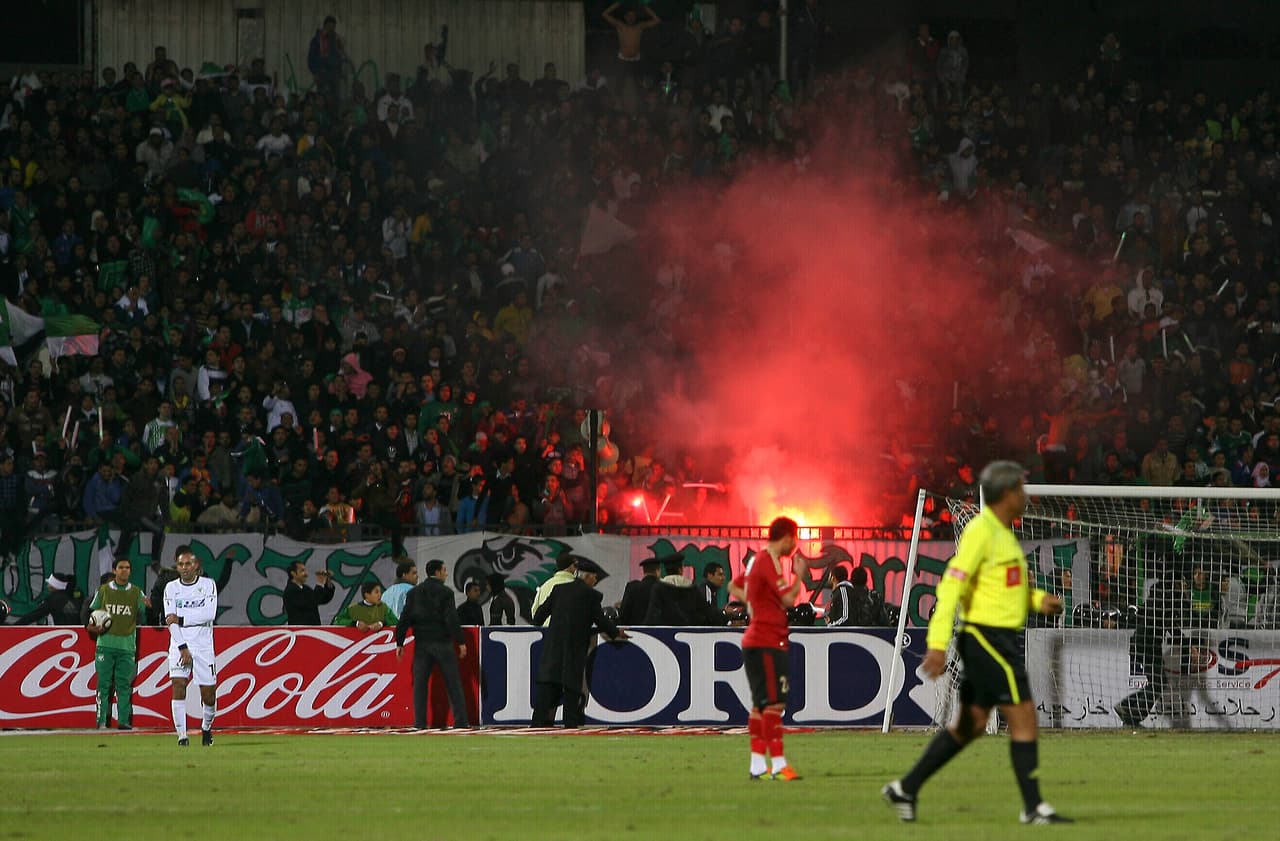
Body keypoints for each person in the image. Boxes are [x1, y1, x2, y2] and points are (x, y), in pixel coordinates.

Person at [882, 461, 1070, 824]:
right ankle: (1033, 807)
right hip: (988, 640)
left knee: (970, 725)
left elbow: (1006, 591)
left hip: (994, 639)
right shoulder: (981, 532)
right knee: (1024, 718)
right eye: (1020, 489)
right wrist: (938, 644)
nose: (1025, 495)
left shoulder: (1003, 535)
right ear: (1006, 494)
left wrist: (1037, 601)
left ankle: (906, 788)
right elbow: (950, 587)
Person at [727, 517, 805, 781]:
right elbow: (788, 599)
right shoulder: (768, 561)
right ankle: (779, 766)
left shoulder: (756, 560)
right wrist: (799, 576)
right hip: (766, 640)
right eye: (795, 539)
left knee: (761, 705)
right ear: (787, 537)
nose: (795, 545)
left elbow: (734, 585)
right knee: (774, 704)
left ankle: (758, 766)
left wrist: (756, 603)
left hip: (758, 639)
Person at [531, 557, 628, 727]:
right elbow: (600, 620)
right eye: (595, 577)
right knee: (572, 693)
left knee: (546, 691)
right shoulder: (592, 595)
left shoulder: (558, 590)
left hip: (553, 648)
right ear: (587, 576)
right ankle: (570, 727)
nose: (595, 581)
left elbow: (538, 618)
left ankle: (537, 726)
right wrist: (615, 632)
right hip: (575, 650)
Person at [395, 560, 470, 729]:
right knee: (453, 683)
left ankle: (420, 723)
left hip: (422, 644)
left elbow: (405, 618)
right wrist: (460, 641)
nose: (446, 573)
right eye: (444, 570)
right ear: (437, 572)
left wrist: (399, 642)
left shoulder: (414, 593)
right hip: (443, 643)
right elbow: (451, 618)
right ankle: (460, 722)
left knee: (420, 685)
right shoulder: (446, 593)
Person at [164, 545, 219, 747]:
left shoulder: (208, 585)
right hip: (179, 645)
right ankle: (182, 736)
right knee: (178, 686)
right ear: (177, 566)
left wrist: (182, 618)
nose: (185, 567)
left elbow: (209, 614)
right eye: (181, 564)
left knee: (209, 695)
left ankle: (206, 728)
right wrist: (182, 647)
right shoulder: (171, 588)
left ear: (196, 565)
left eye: (188, 563)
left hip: (203, 646)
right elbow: (170, 621)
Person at [88, 557, 148, 729]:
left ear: (130, 571)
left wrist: (150, 606)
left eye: (127, 567)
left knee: (124, 685)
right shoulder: (103, 590)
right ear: (114, 570)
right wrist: (92, 627)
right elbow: (91, 615)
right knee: (103, 685)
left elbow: (145, 615)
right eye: (121, 567)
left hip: (127, 647)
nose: (124, 570)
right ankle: (101, 721)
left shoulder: (137, 592)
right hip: (105, 645)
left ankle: (123, 721)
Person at [644, 554, 727, 626]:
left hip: (666, 634)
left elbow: (652, 615)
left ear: (665, 570)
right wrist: (727, 617)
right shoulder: (691, 588)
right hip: (688, 633)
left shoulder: (659, 587)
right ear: (680, 570)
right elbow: (708, 611)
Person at [531, 553, 580, 623]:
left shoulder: (544, 585)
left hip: (546, 628)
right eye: (576, 565)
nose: (577, 569)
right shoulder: (576, 586)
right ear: (571, 566)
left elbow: (535, 611)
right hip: (567, 628)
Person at [332, 580, 398, 630]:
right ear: (367, 595)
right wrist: (356, 623)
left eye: (380, 592)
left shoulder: (383, 607)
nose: (379, 595)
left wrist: (381, 624)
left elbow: (395, 622)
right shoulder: (353, 608)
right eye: (376, 592)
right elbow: (337, 621)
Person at [616, 556, 662, 624]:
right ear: (657, 571)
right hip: (657, 629)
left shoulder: (632, 587)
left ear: (644, 571)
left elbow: (623, 615)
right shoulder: (662, 588)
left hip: (634, 629)